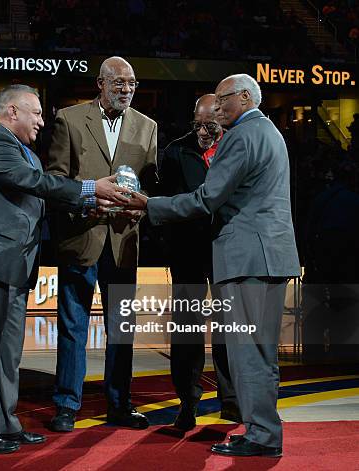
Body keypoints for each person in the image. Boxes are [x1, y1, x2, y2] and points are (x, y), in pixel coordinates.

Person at [125, 74, 300, 457]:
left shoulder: (240, 136)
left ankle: (262, 437)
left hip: (246, 257)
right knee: (261, 351)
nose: (218, 109)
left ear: (243, 97)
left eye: (222, 101)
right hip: (269, 255)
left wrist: (148, 204)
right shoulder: (270, 131)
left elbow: (207, 198)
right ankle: (261, 429)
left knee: (248, 352)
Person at [0, 84, 129, 454]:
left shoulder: (24, 151)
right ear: (12, 112)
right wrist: (89, 189)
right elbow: (37, 183)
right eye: (35, 113)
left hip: (14, 265)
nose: (42, 120)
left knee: (6, 357)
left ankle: (4, 423)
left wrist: (88, 206)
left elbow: (41, 197)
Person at [47, 56, 157, 432]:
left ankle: (120, 404)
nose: (126, 90)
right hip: (81, 236)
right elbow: (56, 180)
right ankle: (66, 405)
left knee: (122, 328)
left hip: (124, 240)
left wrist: (144, 209)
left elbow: (151, 185)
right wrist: (90, 198)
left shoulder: (148, 126)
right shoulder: (69, 119)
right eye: (119, 83)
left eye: (132, 84)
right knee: (73, 326)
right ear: (101, 84)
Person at [159, 94, 238, 431]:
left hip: (225, 250)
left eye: (210, 125)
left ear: (221, 117)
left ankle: (232, 402)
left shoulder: (236, 146)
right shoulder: (176, 151)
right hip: (188, 252)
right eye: (198, 125)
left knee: (229, 330)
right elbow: (171, 201)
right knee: (187, 331)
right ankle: (187, 404)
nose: (204, 132)